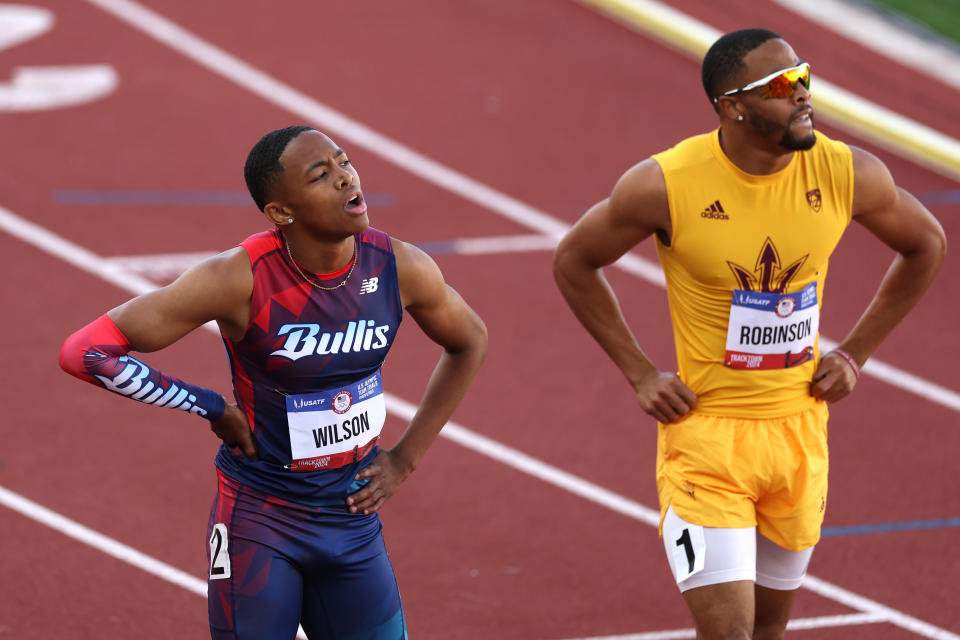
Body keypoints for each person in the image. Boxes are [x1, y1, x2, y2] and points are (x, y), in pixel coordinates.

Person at [552, 29, 945, 640]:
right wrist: (639, 371)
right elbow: (574, 260)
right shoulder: (665, 184)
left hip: (799, 436)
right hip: (707, 441)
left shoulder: (845, 173)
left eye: (805, 77)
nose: (805, 95)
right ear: (733, 105)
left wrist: (856, 352)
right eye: (785, 86)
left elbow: (926, 245)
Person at [60, 125, 488, 639]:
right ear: (281, 212)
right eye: (320, 175)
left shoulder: (401, 269)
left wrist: (405, 458)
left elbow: (470, 340)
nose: (346, 178)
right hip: (262, 522)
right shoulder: (238, 278)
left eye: (344, 161)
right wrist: (211, 407)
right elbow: (85, 352)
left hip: (352, 518)